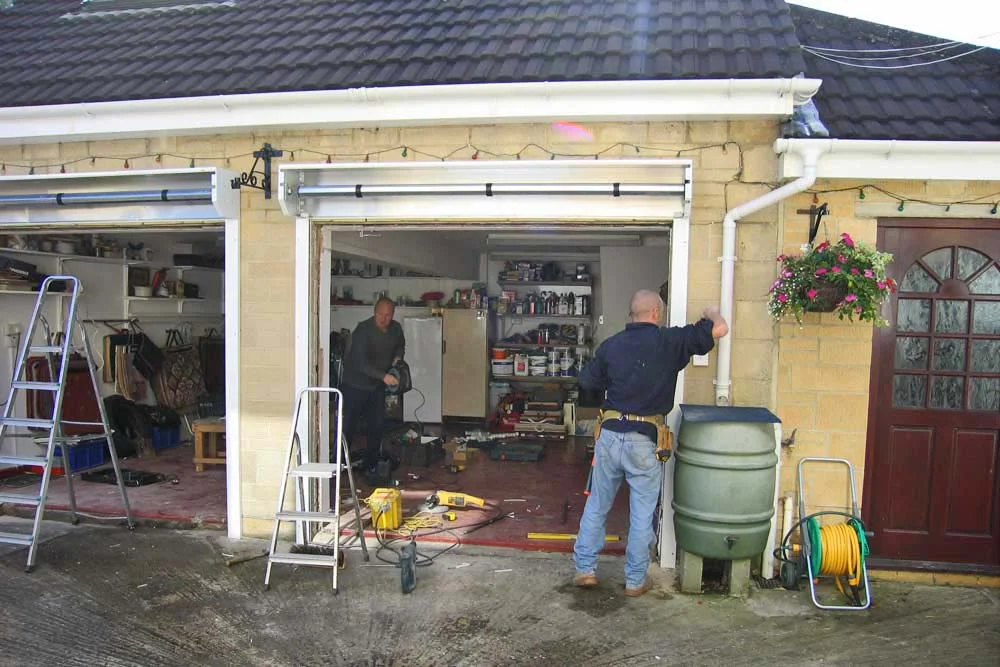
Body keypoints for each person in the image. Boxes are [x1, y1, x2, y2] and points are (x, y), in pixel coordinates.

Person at [572, 290, 728, 597]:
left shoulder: (612, 345)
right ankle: (633, 581)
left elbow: (587, 382)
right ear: (656, 313)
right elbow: (719, 329)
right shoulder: (670, 341)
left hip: (610, 434)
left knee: (598, 504)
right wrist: (711, 312)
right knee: (641, 512)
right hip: (645, 439)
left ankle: (585, 569)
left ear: (633, 314)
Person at [339, 297, 405, 473]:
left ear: (393, 315)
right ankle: (336, 463)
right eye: (380, 314)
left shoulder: (396, 329)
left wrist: (398, 358)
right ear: (374, 312)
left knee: (376, 425)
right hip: (355, 384)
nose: (384, 319)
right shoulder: (363, 330)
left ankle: (372, 464)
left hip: (376, 386)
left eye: (388, 315)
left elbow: (400, 344)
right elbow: (360, 363)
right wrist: (383, 376)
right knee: (348, 426)